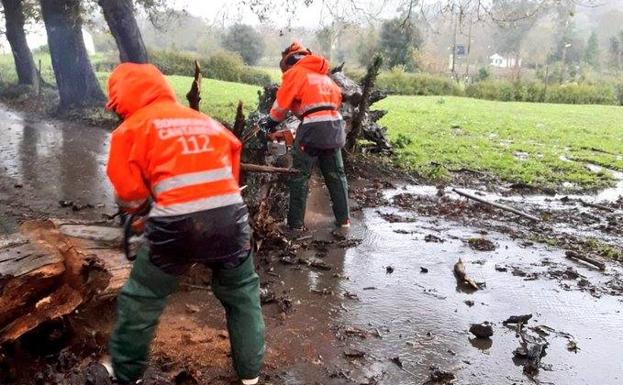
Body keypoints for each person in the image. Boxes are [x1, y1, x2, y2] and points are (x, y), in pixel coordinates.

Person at [104, 63, 265, 385]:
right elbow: (232, 163)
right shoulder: (208, 123)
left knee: (144, 295)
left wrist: (139, 216)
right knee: (242, 291)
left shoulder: (130, 129)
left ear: (121, 101)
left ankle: (125, 373)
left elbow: (130, 192)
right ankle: (250, 374)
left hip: (176, 225)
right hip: (231, 219)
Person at [261, 41, 350, 233]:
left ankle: (295, 225)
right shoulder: (323, 76)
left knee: (300, 176)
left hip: (312, 129)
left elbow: (281, 105)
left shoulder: (295, 73)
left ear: (288, 62)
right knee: (336, 175)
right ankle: (344, 220)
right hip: (335, 127)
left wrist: (269, 123)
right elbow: (336, 99)